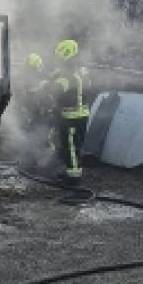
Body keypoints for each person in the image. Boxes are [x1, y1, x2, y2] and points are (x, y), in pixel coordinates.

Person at [51, 39, 90, 181]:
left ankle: (73, 177)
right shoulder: (82, 68)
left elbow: (61, 88)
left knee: (71, 147)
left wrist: (52, 82)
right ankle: (71, 170)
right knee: (75, 145)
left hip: (71, 117)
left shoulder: (68, 72)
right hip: (82, 114)